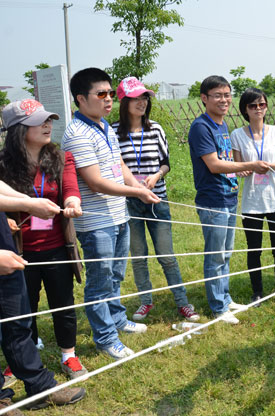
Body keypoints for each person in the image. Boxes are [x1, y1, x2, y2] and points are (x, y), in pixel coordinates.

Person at [62, 68, 161, 360]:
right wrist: (137, 193)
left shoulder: (104, 126)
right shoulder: (77, 133)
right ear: (81, 98)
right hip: (96, 223)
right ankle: (105, 338)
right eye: (101, 94)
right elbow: (95, 181)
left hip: (118, 215)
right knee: (100, 280)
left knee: (116, 275)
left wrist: (136, 184)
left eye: (109, 94)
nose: (108, 100)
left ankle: (117, 319)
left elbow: (118, 166)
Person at [0, 100, 87, 381]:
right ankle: (23, 358)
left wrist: (72, 202)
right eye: (39, 121)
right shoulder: (2, 165)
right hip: (17, 250)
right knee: (22, 307)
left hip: (56, 247)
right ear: (18, 130)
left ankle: (69, 355)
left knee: (63, 302)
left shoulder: (62, 159)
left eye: (49, 119)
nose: (48, 125)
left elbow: (71, 190)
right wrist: (8, 220)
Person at [113, 77, 200, 322]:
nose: (142, 103)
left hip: (157, 201)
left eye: (145, 98)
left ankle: (183, 302)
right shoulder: (112, 132)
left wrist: (156, 175)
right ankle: (145, 301)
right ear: (124, 101)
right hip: (129, 203)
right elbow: (114, 168)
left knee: (167, 255)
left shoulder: (156, 129)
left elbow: (166, 164)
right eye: (136, 98)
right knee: (139, 256)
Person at [188, 76, 269, 324]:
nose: (224, 100)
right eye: (217, 95)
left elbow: (224, 162)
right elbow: (213, 165)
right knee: (215, 255)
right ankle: (218, 306)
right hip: (213, 200)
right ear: (204, 98)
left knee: (226, 253)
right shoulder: (202, 127)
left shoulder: (221, 125)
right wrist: (250, 164)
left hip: (229, 196)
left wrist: (236, 169)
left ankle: (224, 297)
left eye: (227, 95)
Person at [0, 180, 86, 412]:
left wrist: (28, 202)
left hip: (6, 252)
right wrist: (28, 205)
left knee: (18, 324)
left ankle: (40, 388)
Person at [231, 88, 275, 310]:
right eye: (253, 106)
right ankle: (257, 292)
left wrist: (265, 166)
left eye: (262, 105)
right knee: (254, 248)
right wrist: (246, 169)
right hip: (251, 201)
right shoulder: (237, 134)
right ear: (245, 110)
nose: (258, 109)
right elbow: (238, 167)